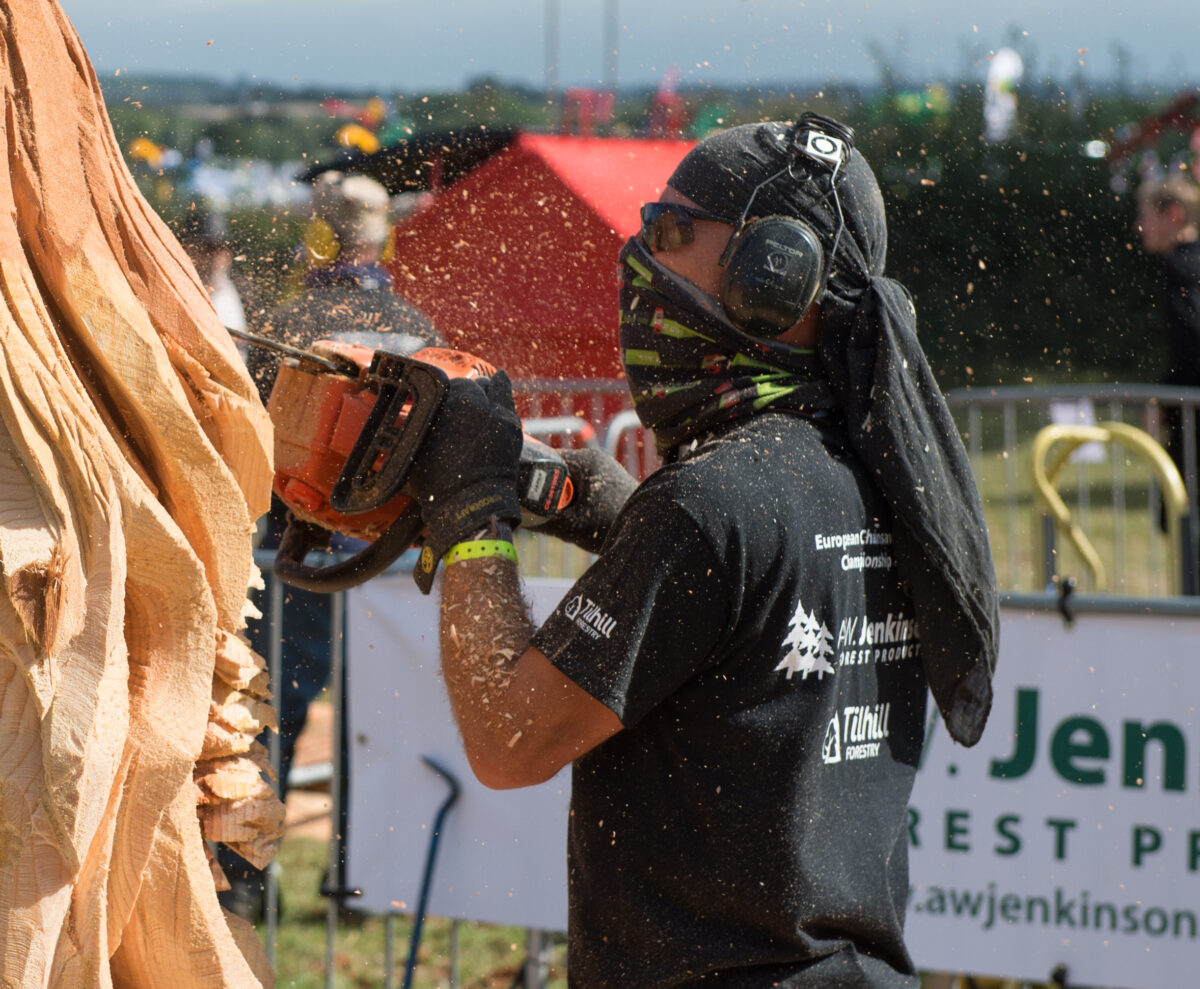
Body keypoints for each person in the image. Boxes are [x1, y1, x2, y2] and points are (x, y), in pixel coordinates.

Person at [404, 113, 999, 985]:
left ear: (774, 277)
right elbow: (756, 616)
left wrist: (468, 522)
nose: (640, 253)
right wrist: (624, 519)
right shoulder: (881, 474)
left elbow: (508, 739)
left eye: (671, 230)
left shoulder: (710, 507)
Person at [220, 171, 445, 921]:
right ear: (381, 237)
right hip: (390, 563)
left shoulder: (287, 320)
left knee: (272, 716)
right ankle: (360, 885)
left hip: (295, 555)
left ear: (319, 233)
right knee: (374, 723)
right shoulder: (418, 328)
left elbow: (244, 434)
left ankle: (246, 879)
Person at [1136, 171, 1200, 484]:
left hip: (1195, 423)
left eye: (1146, 215)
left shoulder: (1182, 269)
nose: (1140, 226)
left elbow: (1194, 344)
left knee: (1183, 518)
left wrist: (1163, 404)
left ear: (1173, 214)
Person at [177, 206, 250, 359]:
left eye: (222, 248)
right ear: (187, 248)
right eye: (207, 248)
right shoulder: (176, 289)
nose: (216, 256)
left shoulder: (241, 291)